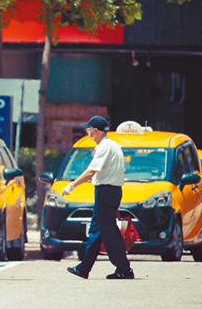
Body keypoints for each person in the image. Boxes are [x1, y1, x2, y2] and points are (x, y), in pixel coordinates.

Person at [62, 115, 134, 280]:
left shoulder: (104, 147)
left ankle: (124, 269)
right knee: (96, 231)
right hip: (111, 191)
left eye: (88, 131)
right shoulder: (113, 145)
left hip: (105, 191)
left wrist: (72, 185)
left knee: (109, 233)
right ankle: (83, 268)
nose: (87, 134)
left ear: (95, 131)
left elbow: (90, 171)